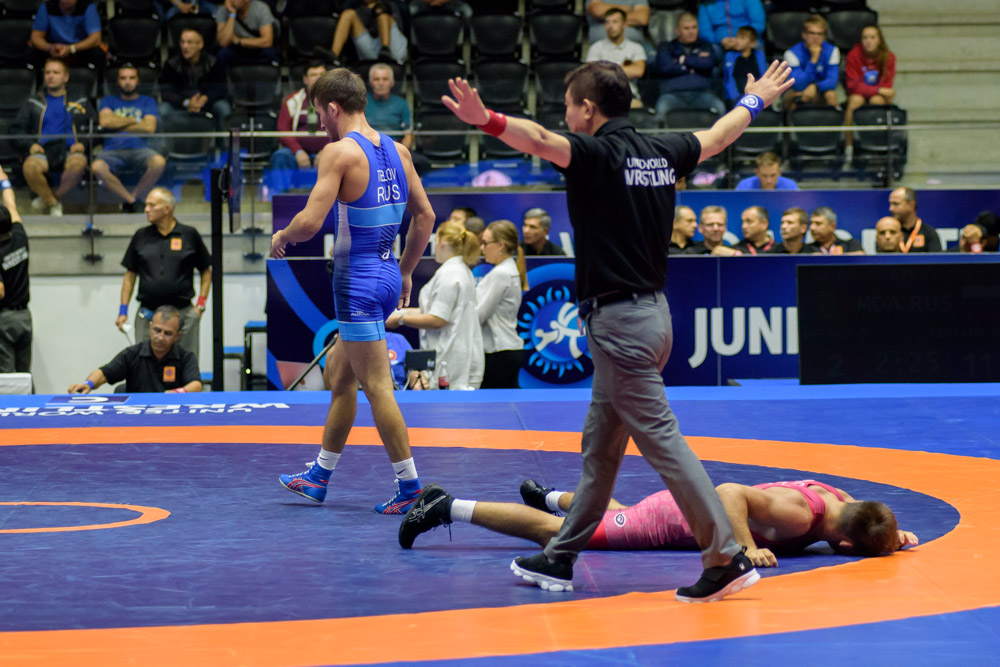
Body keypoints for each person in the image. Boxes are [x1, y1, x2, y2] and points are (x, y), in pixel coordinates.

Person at [442, 59, 794, 600]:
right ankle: (560, 557)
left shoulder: (595, 154)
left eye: (567, 105)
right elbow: (720, 136)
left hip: (619, 324)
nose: (564, 115)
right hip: (651, 315)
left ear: (587, 108)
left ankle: (725, 557)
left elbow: (538, 139)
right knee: (601, 452)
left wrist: (485, 118)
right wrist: (756, 100)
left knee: (664, 444)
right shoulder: (662, 150)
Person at [269, 68, 435, 514]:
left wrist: (282, 236)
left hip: (356, 284)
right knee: (340, 378)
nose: (319, 124)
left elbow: (309, 223)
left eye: (319, 114)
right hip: (385, 274)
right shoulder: (399, 151)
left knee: (377, 386)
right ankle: (318, 477)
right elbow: (425, 217)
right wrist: (406, 271)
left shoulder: (338, 153)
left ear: (333, 108)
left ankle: (411, 487)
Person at [400, 478, 919, 567]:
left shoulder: (842, 502)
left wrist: (890, 535)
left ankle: (551, 496)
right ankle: (445, 506)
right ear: (844, 542)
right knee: (560, 536)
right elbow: (729, 493)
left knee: (615, 512)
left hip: (678, 508)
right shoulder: (800, 514)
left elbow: (866, 517)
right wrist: (743, 546)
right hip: (674, 518)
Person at [387, 219, 484, 390]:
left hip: (450, 356)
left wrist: (400, 319)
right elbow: (434, 310)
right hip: (458, 351)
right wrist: (399, 312)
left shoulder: (450, 274)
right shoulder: (460, 270)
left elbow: (437, 319)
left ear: (443, 242)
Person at [116, 187, 212, 358]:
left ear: (167, 209)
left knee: (186, 364)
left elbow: (206, 271)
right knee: (145, 365)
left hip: (183, 315)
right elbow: (130, 276)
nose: (146, 209)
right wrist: (123, 311)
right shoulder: (141, 236)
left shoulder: (189, 235)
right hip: (148, 316)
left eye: (152, 205)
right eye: (146, 205)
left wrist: (200, 306)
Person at [10, 58, 94, 218]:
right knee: (30, 167)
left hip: (71, 150)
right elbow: (16, 129)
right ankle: (53, 203)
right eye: (47, 72)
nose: (50, 76)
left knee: (78, 165)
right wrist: (30, 145)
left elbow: (95, 127)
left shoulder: (81, 102)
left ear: (66, 77)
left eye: (56, 72)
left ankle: (51, 198)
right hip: (43, 150)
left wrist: (83, 144)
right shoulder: (33, 102)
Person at [69, 305, 202, 394]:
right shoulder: (132, 354)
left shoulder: (186, 357)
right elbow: (104, 373)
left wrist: (176, 393)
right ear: (150, 327)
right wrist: (88, 384)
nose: (160, 337)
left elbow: (196, 385)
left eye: (167, 333)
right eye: (157, 330)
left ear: (177, 336)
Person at [92, 65, 166, 213]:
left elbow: (149, 127)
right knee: (97, 167)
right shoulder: (108, 100)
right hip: (112, 151)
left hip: (141, 149)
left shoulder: (148, 101)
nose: (127, 82)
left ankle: (134, 196)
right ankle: (132, 200)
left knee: (159, 162)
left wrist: (118, 123)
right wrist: (136, 120)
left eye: (132, 78)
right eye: (123, 78)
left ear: (138, 81)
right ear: (118, 81)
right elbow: (105, 122)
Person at [476, 220, 528, 389]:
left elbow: (480, 315)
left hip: (499, 352)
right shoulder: (507, 270)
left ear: (501, 245)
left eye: (485, 243)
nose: (482, 248)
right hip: (505, 351)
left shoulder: (501, 274)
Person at [158, 28, 231, 134]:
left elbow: (221, 89)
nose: (185, 46)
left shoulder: (213, 63)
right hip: (180, 104)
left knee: (223, 107)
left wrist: (204, 99)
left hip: (207, 103)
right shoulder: (171, 64)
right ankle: (165, 144)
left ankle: (223, 144)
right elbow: (165, 92)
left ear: (200, 44)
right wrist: (186, 102)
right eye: (182, 42)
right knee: (163, 109)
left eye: (189, 42)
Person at [654, 12, 725, 121]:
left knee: (720, 108)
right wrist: (695, 65)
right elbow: (666, 67)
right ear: (677, 31)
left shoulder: (706, 46)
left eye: (694, 27)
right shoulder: (666, 47)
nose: (691, 32)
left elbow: (708, 63)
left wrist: (682, 60)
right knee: (661, 108)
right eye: (686, 28)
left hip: (702, 94)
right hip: (672, 95)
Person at [271, 61, 331, 183]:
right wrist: (297, 151)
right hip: (295, 153)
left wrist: (327, 150)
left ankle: (335, 196)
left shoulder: (336, 102)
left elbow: (341, 129)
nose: (318, 78)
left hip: (328, 150)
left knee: (342, 155)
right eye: (313, 75)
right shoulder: (292, 100)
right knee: (280, 156)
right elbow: (283, 130)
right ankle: (282, 195)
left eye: (321, 75)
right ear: (305, 79)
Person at [844, 24, 896, 159]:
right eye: (865, 38)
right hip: (860, 94)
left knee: (876, 100)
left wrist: (877, 91)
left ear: (879, 40)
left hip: (877, 96)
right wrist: (878, 89)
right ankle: (848, 145)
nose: (868, 41)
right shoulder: (853, 55)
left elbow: (887, 86)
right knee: (855, 101)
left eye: (872, 37)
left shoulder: (889, 57)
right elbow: (853, 86)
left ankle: (875, 144)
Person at [0, 168, 32, 375]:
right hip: (24, 317)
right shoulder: (20, 236)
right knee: (24, 374)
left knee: (8, 379)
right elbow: (11, 204)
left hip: (4, 320)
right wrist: (3, 179)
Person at [586, 9, 647, 110]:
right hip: (602, 96)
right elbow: (591, 73)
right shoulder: (596, 48)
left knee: (637, 107)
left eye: (615, 22)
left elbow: (638, 71)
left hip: (629, 96)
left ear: (624, 25)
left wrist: (604, 70)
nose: (610, 26)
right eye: (607, 22)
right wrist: (625, 71)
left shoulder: (636, 47)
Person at [29, 0, 104, 73]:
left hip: (79, 48)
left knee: (98, 54)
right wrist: (50, 48)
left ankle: (97, 80)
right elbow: (36, 37)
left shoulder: (88, 7)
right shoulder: (47, 7)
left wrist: (71, 48)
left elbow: (96, 39)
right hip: (53, 47)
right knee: (31, 54)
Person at [783, 15, 840, 112]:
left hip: (820, 90)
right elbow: (798, 84)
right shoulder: (791, 53)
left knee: (831, 94)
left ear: (824, 36)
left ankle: (833, 121)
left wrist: (816, 87)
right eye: (812, 33)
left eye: (820, 34)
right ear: (804, 34)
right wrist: (813, 60)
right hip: (799, 91)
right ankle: (791, 121)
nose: (816, 37)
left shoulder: (833, 51)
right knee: (794, 94)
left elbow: (832, 81)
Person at [330, 0, 409, 65]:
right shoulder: (358, 9)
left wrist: (380, 11)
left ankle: (385, 49)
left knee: (383, 14)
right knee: (348, 14)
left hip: (393, 48)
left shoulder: (391, 4)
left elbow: (400, 28)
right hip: (373, 50)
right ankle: (333, 57)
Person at [214, 0, 279, 67]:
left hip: (258, 47)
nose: (231, 1)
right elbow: (223, 43)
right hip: (236, 49)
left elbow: (267, 42)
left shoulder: (261, 8)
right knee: (222, 54)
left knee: (270, 53)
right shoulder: (223, 11)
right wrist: (232, 14)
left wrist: (239, 41)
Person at [698, 0, 764, 57]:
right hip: (719, 43)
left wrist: (743, 39)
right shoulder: (706, 4)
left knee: (755, 44)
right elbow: (704, 31)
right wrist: (721, 40)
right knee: (710, 50)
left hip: (746, 39)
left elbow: (758, 24)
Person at [889, 187, 941, 253]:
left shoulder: (929, 233)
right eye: (890, 204)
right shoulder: (888, 232)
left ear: (911, 205)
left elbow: (936, 258)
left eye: (896, 204)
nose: (891, 209)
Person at [723, 26, 767, 105]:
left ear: (752, 43)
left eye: (742, 38)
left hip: (756, 94)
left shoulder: (759, 55)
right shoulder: (729, 55)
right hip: (736, 96)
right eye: (737, 37)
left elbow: (763, 75)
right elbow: (729, 79)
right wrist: (735, 98)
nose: (737, 40)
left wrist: (760, 95)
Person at [585, 0, 649, 47]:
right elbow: (596, 10)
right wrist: (628, 8)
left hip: (634, 46)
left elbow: (643, 18)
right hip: (601, 47)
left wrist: (609, 11)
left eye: (615, 21)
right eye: (607, 21)